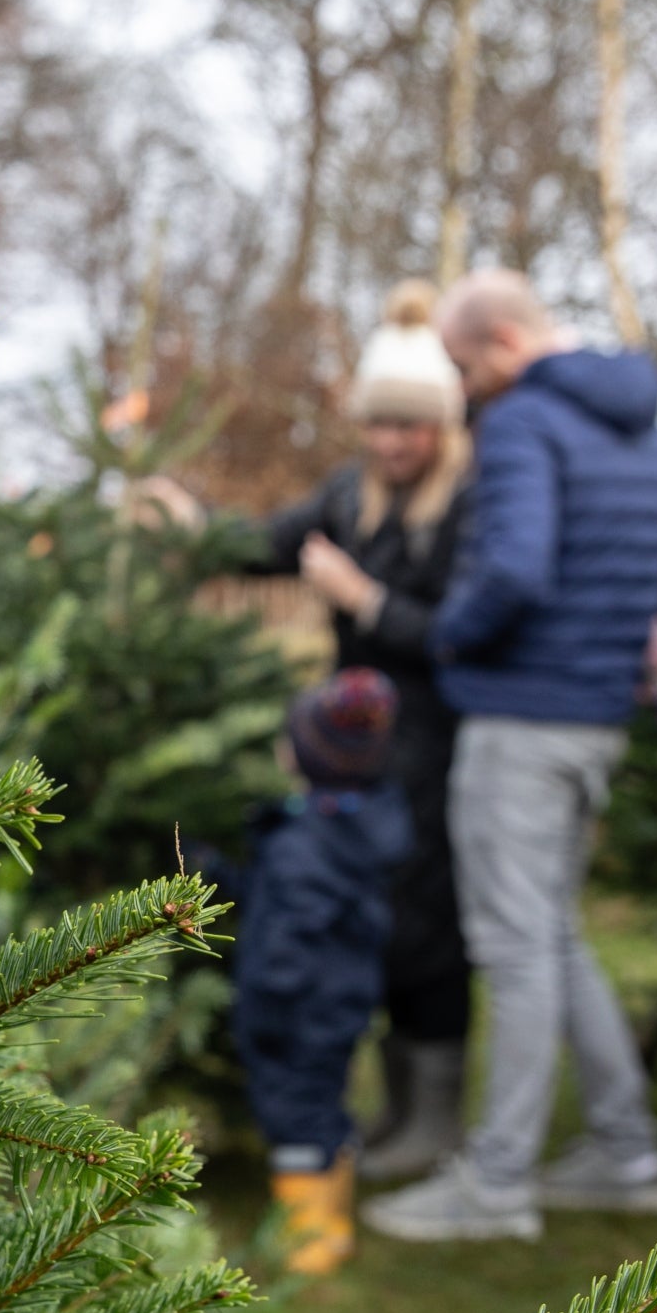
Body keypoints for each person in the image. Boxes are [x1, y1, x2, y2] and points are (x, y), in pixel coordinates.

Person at [361, 269, 657, 1244]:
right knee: (551, 934)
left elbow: (513, 567)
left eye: (466, 366)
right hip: (598, 718)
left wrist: (450, 638)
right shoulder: (647, 429)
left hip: (520, 717)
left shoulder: (521, 424)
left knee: (513, 950)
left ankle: (496, 1182)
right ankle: (626, 1155)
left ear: (503, 343)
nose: (466, 388)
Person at [235, 279, 476, 1183]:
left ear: (442, 427)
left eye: (409, 426)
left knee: (431, 925)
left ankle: (433, 1118)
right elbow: (267, 541)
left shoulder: (466, 504)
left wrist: (362, 600)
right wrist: (186, 529)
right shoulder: (348, 494)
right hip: (359, 746)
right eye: (378, 425)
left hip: (440, 740)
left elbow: (458, 634)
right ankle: (393, 1109)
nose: (391, 442)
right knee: (374, 917)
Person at [230, 668, 408, 1274]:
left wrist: (269, 1009)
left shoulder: (301, 845)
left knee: (295, 1119)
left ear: (303, 754)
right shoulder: (365, 819)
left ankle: (308, 1245)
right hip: (343, 999)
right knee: (327, 1104)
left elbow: (287, 933)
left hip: (295, 1012)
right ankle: (334, 1222)